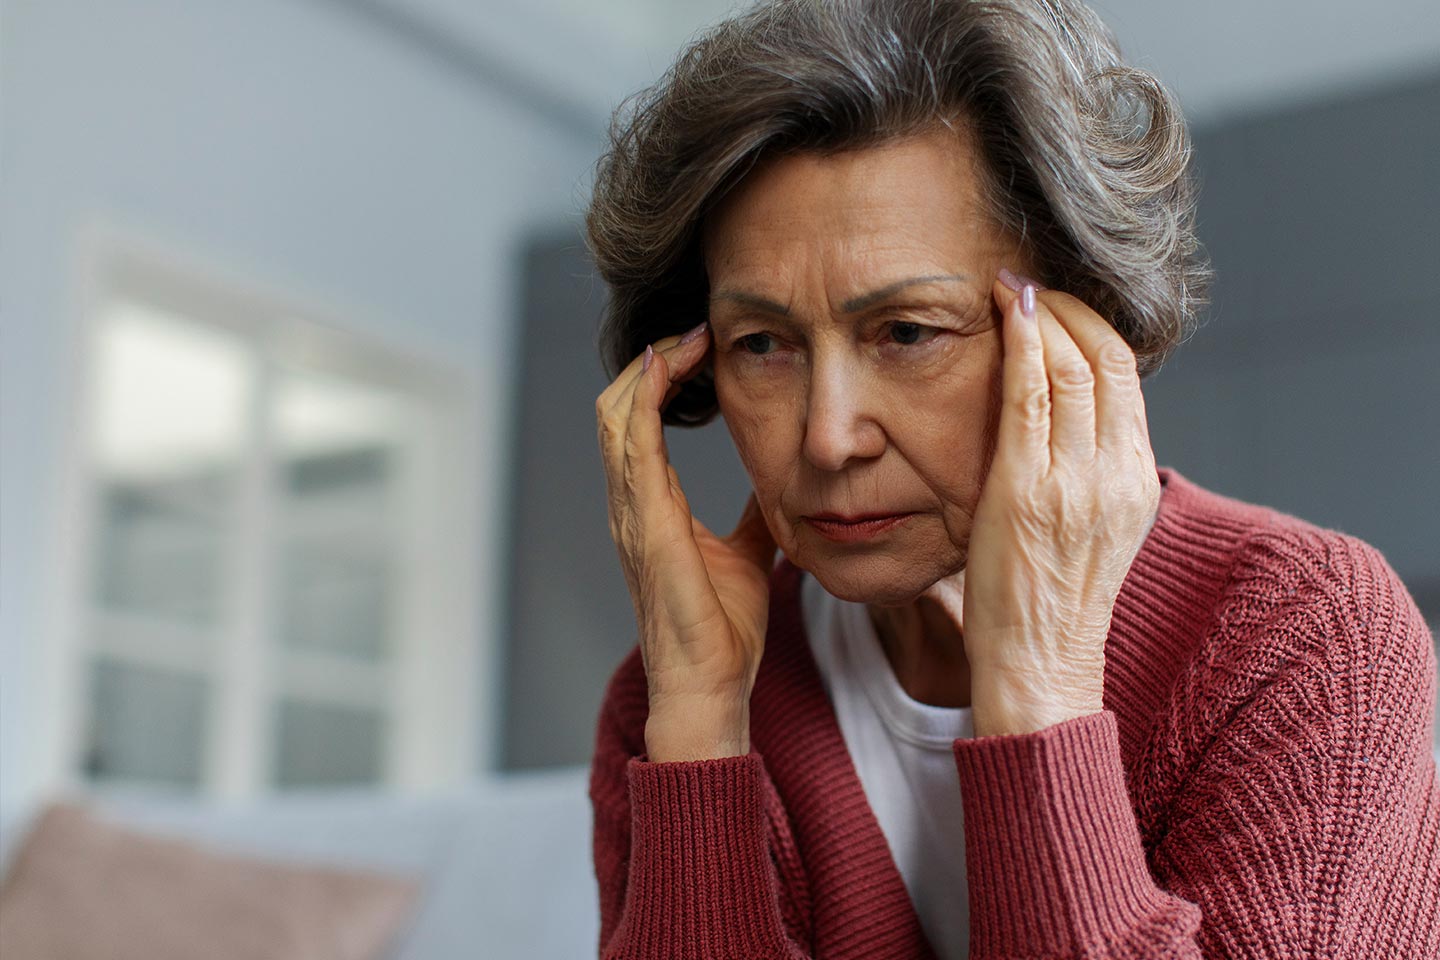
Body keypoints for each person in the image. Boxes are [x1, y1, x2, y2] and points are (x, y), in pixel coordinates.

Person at [584, 1, 1440, 957]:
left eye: (907, 332)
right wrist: (701, 729)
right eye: (763, 346)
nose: (828, 439)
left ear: (1081, 329)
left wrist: (1042, 695)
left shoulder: (1306, 634)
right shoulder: (664, 703)